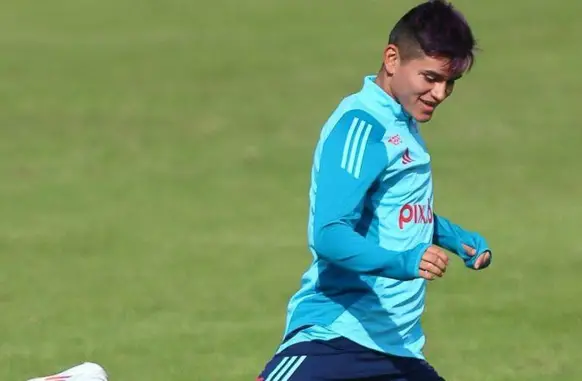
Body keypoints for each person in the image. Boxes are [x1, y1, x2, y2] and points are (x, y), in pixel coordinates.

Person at [256, 1, 493, 380]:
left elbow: (395, 211)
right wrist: (405, 261)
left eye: (450, 83)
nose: (440, 93)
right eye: (430, 77)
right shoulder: (362, 126)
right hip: (336, 339)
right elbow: (329, 233)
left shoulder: (402, 122)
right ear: (392, 59)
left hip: (398, 348)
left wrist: (454, 237)